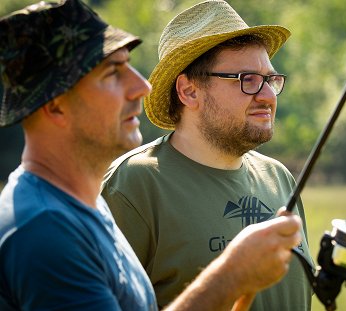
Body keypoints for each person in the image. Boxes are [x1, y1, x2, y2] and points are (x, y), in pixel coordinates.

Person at [0, 0, 304, 310]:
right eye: (112, 73)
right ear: (55, 105)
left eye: (270, 79)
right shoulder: (44, 227)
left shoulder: (85, 210)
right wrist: (231, 275)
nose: (142, 86)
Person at [101, 0, 313, 310]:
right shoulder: (133, 185)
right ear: (189, 92)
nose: (267, 96)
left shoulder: (279, 177)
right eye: (248, 80)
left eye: (270, 80)